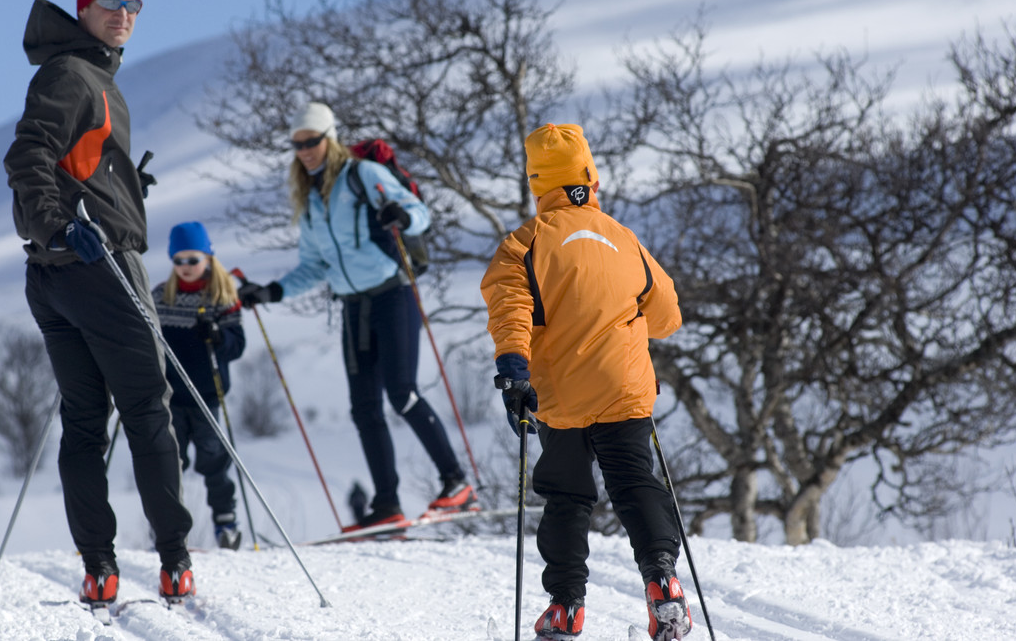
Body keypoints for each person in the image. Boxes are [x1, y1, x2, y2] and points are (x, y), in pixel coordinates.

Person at [3, 0, 195, 605]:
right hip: (97, 268)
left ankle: (99, 568)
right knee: (147, 409)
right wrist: (59, 226)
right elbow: (28, 154)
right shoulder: (73, 74)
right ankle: (175, 560)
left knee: (85, 420)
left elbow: (70, 161)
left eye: (132, 6)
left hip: (53, 275)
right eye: (110, 3)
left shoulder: (89, 74)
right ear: (82, 7)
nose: (122, 15)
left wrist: (123, 186)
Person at [480, 124, 692, 640]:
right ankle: (663, 579)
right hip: (624, 387)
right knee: (634, 481)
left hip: (560, 395)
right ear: (590, 178)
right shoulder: (623, 237)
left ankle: (565, 606)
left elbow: (510, 311)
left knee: (567, 495)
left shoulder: (523, 244)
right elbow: (667, 316)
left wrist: (514, 372)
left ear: (537, 183)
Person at [236, 101, 476, 529]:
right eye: (297, 145)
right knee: (364, 409)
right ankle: (387, 506)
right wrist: (272, 291)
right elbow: (315, 266)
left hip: (393, 295)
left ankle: (457, 484)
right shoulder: (312, 199)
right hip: (352, 307)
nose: (305, 151)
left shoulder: (362, 175)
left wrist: (402, 215)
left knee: (401, 393)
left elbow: (420, 213)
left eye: (312, 141)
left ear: (330, 138)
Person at [152, 222, 247, 550]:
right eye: (178, 260)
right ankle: (168, 528)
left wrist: (218, 336)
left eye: (193, 259)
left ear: (208, 257)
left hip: (207, 397)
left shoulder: (223, 297)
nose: (186, 267)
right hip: (170, 397)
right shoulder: (161, 297)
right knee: (170, 463)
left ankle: (225, 522)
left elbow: (237, 346)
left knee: (214, 461)